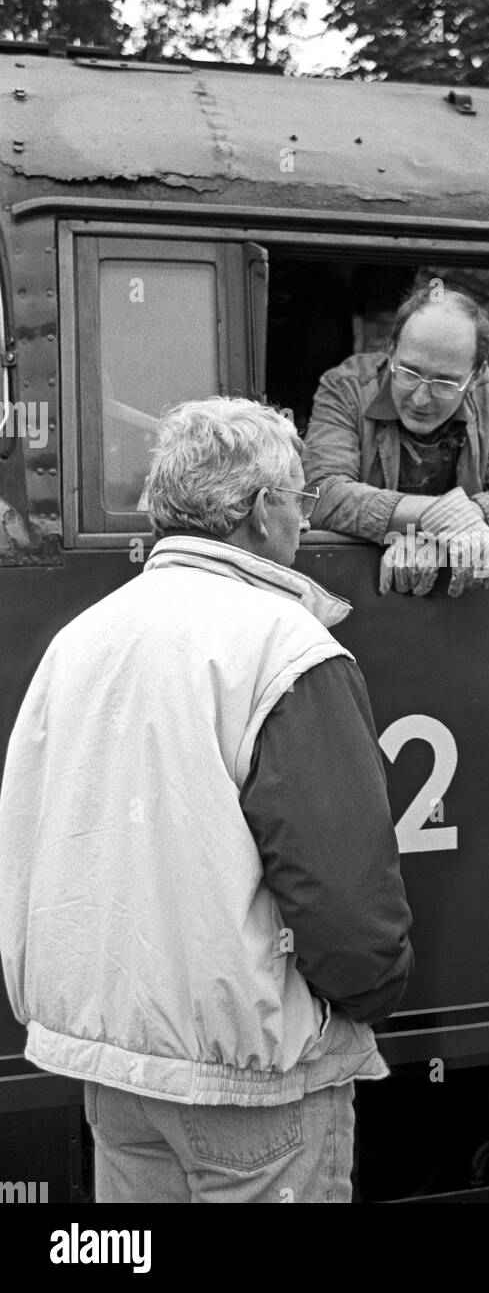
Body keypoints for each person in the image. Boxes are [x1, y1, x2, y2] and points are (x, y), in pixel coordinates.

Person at [0, 396, 413, 1204]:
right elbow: (344, 890)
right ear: (262, 511)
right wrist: (369, 997)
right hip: (253, 1080)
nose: (303, 521)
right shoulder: (287, 646)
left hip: (113, 1073)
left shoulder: (79, 640)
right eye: (298, 499)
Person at [303, 284, 489, 598]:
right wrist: (438, 517)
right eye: (408, 372)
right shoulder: (346, 387)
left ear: (475, 376)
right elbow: (319, 490)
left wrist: (457, 522)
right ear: (391, 350)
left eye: (445, 381)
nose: (421, 398)